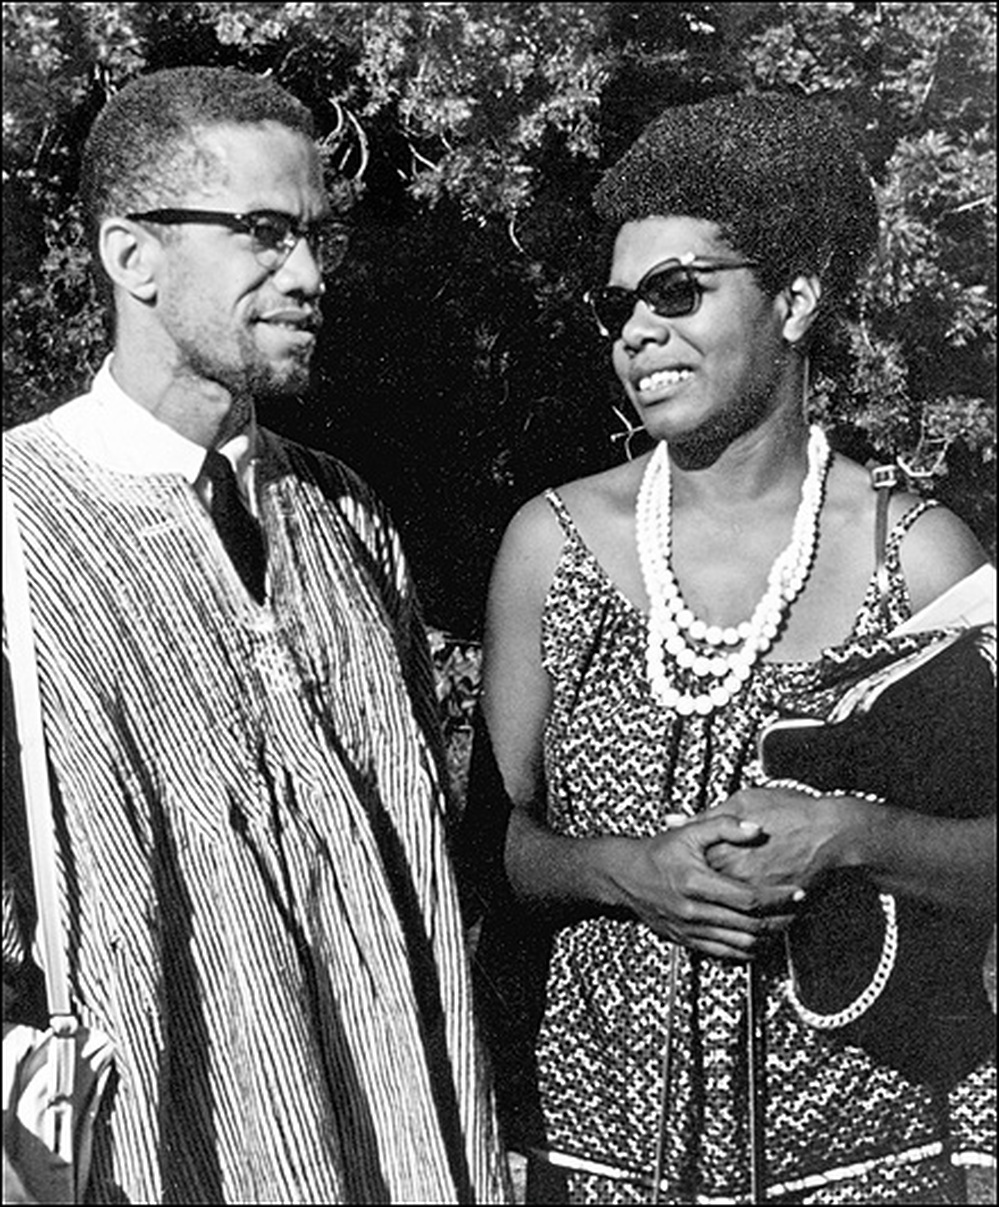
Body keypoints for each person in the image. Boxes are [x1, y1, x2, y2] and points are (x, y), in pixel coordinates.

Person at [472, 93, 995, 1204]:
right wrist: (627, 873)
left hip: (871, 1158)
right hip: (594, 1155)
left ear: (796, 298)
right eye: (619, 305)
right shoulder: (552, 548)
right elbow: (490, 847)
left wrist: (856, 835)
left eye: (678, 292)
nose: (636, 333)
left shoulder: (922, 559)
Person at [2, 66, 508, 1204]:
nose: (310, 276)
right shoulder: (14, 521)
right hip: (152, 1156)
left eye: (318, 238)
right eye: (265, 235)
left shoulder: (348, 515)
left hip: (406, 1153)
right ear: (133, 256)